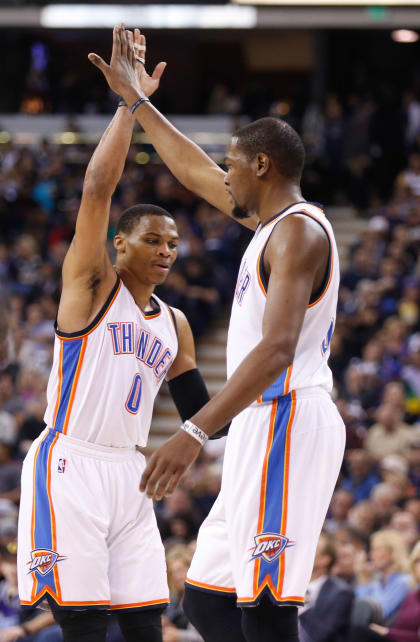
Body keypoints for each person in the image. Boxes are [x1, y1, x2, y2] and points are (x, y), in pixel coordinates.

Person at [89, 25, 346, 642]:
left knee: (264, 607)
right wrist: (137, 102)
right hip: (261, 424)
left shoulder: (298, 232)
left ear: (261, 164)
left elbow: (278, 348)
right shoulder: (269, 222)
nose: (222, 174)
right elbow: (193, 172)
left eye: (232, 163)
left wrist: (194, 430)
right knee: (208, 603)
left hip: (288, 415)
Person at [17, 28, 221, 642]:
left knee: (144, 624)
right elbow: (97, 189)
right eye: (153, 240)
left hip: (131, 475)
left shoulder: (175, 323)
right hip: (70, 462)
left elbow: (203, 413)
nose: (166, 251)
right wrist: (129, 102)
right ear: (119, 245)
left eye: (174, 244)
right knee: (81, 627)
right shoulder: (90, 285)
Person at [298, 532, 354, 642]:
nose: (304, 554)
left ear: (325, 560)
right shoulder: (291, 586)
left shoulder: (341, 593)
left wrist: (302, 605)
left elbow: (323, 635)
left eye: (312, 550)